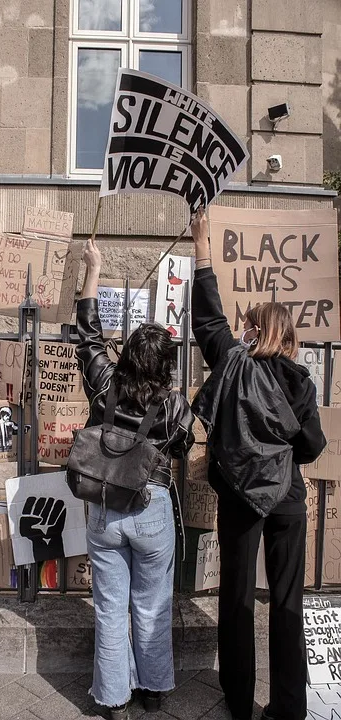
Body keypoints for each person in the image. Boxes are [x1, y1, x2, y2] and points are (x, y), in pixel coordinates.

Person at [190, 207, 326, 720]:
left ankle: (240, 702)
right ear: (287, 334)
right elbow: (311, 446)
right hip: (288, 500)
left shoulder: (232, 362)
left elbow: (208, 320)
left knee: (238, 598)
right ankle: (290, 706)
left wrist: (202, 248)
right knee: (288, 604)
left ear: (253, 332)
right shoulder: (300, 381)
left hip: (241, 499)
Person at [76, 237, 195, 720]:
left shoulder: (104, 383)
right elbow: (185, 448)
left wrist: (94, 268)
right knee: (151, 606)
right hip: (151, 508)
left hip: (105, 508)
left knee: (109, 607)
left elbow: (86, 334)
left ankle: (114, 699)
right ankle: (154, 689)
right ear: (165, 364)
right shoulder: (172, 405)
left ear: (124, 355)